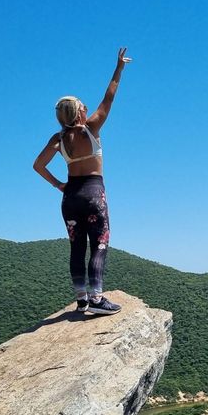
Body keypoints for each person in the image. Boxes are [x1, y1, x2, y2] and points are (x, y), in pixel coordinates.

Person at [33, 47, 130, 315]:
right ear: (80, 113)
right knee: (99, 244)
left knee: (77, 247)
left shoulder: (58, 139)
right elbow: (109, 98)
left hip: (70, 196)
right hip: (93, 194)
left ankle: (81, 299)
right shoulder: (92, 128)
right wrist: (118, 68)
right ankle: (98, 300)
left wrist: (58, 185)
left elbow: (38, 165)